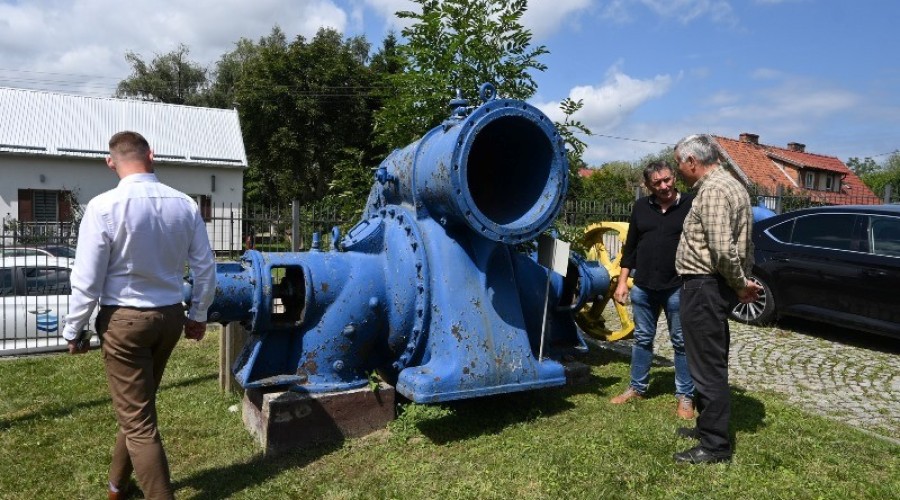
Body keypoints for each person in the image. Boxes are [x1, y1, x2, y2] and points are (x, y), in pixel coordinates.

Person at [63, 131, 216, 499]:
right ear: (152, 155)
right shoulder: (184, 205)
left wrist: (74, 329)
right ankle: (117, 487)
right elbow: (205, 268)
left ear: (110, 162)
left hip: (124, 321)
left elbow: (86, 280)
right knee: (137, 408)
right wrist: (197, 314)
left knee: (139, 421)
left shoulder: (102, 207)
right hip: (168, 319)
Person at [672, 134, 762, 464]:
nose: (678, 170)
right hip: (712, 287)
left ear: (693, 162)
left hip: (704, 287)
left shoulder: (712, 190)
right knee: (712, 358)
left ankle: (714, 446)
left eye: (679, 163)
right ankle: (708, 427)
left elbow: (723, 249)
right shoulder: (732, 183)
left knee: (706, 366)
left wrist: (739, 285)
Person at [609, 161, 696, 420]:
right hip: (644, 287)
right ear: (648, 185)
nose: (664, 186)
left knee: (681, 342)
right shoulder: (640, 207)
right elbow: (631, 248)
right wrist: (623, 282)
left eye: (667, 180)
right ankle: (637, 387)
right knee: (642, 339)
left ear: (674, 178)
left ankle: (685, 396)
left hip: (677, 286)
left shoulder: (691, 205)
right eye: (657, 183)